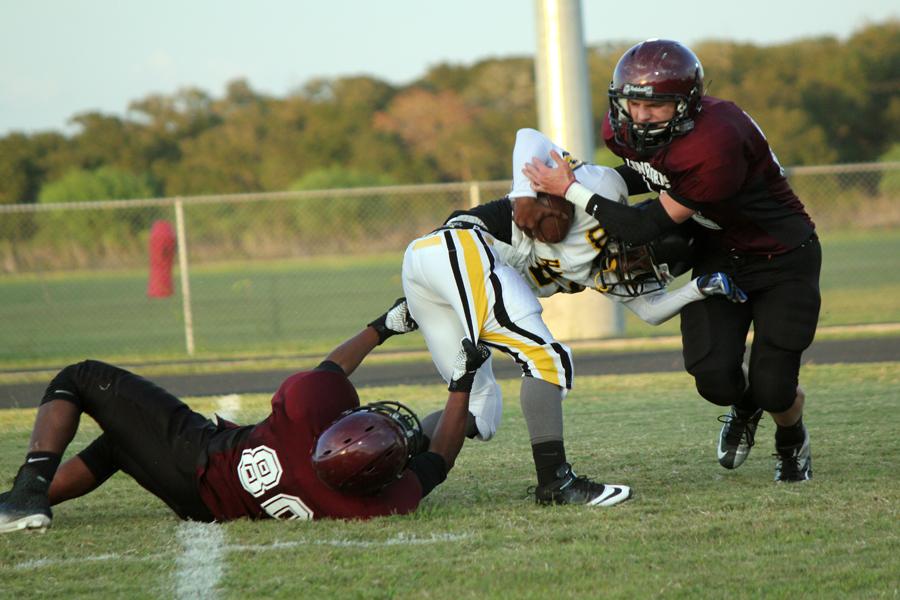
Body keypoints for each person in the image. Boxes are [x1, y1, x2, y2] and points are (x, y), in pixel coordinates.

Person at [522, 39, 820, 483]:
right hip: (719, 250)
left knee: (774, 386)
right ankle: (744, 404)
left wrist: (573, 190)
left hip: (781, 257)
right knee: (714, 379)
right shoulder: (623, 130)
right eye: (633, 103)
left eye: (656, 105)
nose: (640, 116)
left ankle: (790, 439)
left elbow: (646, 227)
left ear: (686, 105)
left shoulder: (715, 143)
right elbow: (645, 174)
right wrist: (579, 183)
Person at [401, 130, 746, 507]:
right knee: (548, 360)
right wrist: (523, 195)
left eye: (654, 271)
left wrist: (698, 288)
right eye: (647, 259)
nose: (640, 270)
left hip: (437, 273)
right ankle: (555, 482)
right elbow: (527, 138)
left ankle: (387, 459)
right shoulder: (604, 189)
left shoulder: (602, 271)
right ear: (640, 232)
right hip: (461, 246)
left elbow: (650, 311)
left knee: (481, 412)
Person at [0, 299, 490, 532]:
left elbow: (332, 368)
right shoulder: (378, 503)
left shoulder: (304, 417)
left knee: (81, 377)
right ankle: (22, 501)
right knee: (120, 445)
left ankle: (27, 492)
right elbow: (439, 456)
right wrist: (462, 390)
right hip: (205, 505)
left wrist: (382, 327)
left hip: (197, 459)